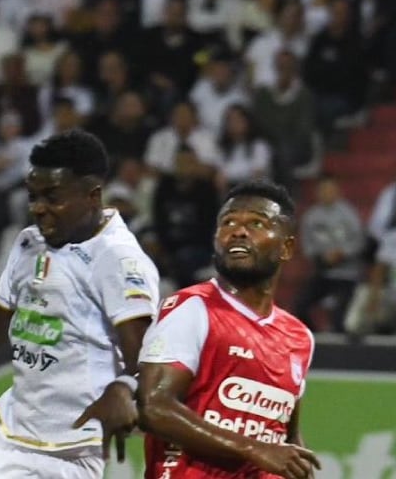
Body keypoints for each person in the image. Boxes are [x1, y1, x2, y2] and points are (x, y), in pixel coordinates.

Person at [0, 130, 160, 479]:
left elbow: (147, 359)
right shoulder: (29, 243)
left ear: (92, 196)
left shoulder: (118, 259)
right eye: (33, 196)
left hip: (67, 455)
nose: (38, 208)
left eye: (52, 197)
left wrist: (126, 387)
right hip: (10, 440)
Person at [138, 180, 322, 479]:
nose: (238, 230)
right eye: (228, 222)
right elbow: (154, 408)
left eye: (257, 223)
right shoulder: (192, 308)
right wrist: (252, 448)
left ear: (287, 247)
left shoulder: (299, 337)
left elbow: (283, 434)